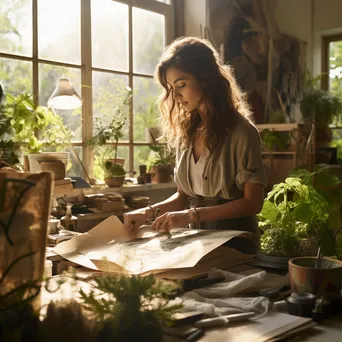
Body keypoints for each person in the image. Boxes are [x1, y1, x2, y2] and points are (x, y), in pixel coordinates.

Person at [124, 36, 267, 254]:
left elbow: (253, 203)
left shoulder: (242, 132)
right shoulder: (187, 135)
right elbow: (183, 197)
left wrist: (192, 215)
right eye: (171, 88)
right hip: (197, 246)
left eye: (181, 84)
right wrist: (146, 212)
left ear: (206, 79)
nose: (176, 95)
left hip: (236, 248)